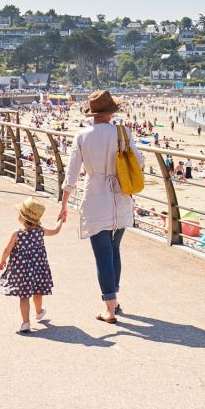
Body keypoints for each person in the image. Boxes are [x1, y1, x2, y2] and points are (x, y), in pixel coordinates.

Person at [59, 90, 145, 324]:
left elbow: (72, 172)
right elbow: (140, 161)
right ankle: (114, 302)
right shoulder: (122, 133)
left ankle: (109, 308)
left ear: (93, 113)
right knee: (114, 249)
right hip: (121, 197)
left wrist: (64, 203)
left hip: (95, 198)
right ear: (111, 112)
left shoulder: (83, 135)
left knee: (103, 254)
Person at [0, 197, 62, 332]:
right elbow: (55, 231)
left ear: (23, 216)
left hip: (22, 272)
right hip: (38, 270)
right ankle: (39, 312)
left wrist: (2, 261)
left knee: (24, 297)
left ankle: (25, 323)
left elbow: (7, 249)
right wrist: (61, 220)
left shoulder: (17, 233)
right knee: (38, 291)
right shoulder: (40, 231)